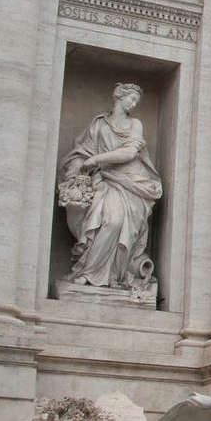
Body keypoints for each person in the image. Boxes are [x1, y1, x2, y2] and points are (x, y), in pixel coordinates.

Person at [58, 83, 163, 291]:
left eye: (136, 101)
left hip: (132, 184)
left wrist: (97, 159)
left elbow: (129, 153)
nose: (133, 104)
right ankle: (89, 272)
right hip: (105, 181)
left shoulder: (135, 124)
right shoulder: (98, 125)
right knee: (108, 221)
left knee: (115, 223)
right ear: (118, 97)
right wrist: (79, 168)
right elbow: (82, 153)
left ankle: (112, 275)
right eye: (131, 99)